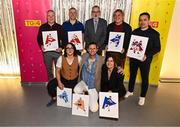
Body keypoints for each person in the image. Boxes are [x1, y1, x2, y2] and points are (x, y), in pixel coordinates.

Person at [125, 12, 161, 106]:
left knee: (144, 78)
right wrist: (129, 53)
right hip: (134, 59)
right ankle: (130, 91)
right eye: (140, 20)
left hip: (145, 60)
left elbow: (157, 48)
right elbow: (131, 44)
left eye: (145, 20)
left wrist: (146, 55)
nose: (142, 22)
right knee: (132, 75)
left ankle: (142, 97)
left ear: (148, 21)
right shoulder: (135, 32)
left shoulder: (154, 34)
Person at [74, 42, 104, 112]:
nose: (92, 50)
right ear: (87, 49)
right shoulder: (84, 56)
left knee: (93, 109)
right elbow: (72, 56)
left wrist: (119, 68)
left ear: (97, 49)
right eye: (90, 48)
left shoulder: (101, 59)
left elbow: (111, 64)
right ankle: (86, 96)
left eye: (94, 48)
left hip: (93, 86)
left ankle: (90, 97)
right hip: (84, 82)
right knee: (76, 90)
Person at [37, 10, 64, 81]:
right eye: (49, 15)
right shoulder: (42, 27)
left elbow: (64, 39)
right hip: (47, 52)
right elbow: (39, 38)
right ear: (46, 17)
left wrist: (61, 48)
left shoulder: (59, 27)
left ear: (55, 16)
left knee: (59, 69)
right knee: (49, 70)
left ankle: (59, 83)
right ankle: (51, 83)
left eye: (52, 15)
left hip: (57, 52)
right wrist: (41, 45)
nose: (51, 17)